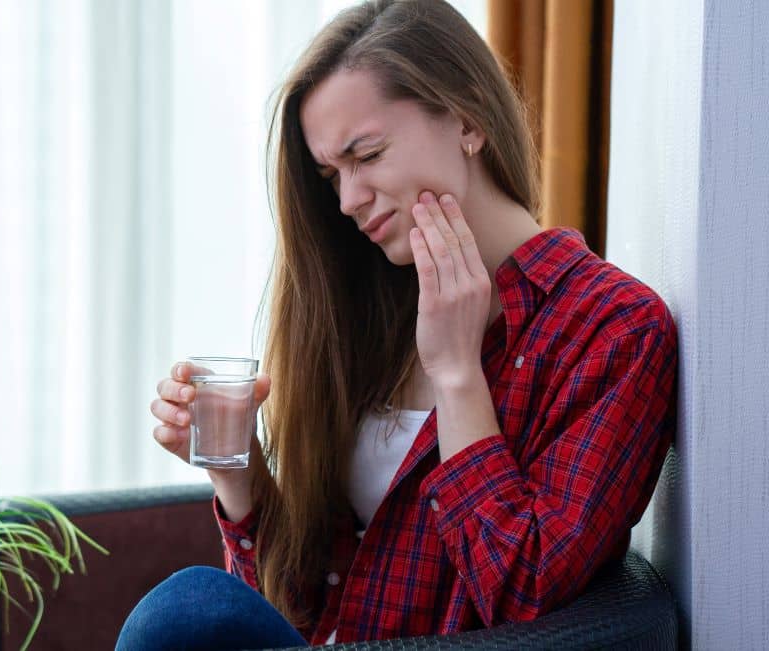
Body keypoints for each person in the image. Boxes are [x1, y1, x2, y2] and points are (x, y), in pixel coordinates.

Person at [118, 0, 677, 648]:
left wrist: (458, 376)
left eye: (369, 154)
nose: (348, 200)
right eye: (332, 174)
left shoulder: (615, 331)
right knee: (191, 610)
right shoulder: (373, 307)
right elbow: (299, 610)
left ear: (466, 117)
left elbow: (524, 594)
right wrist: (235, 470)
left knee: (181, 610)